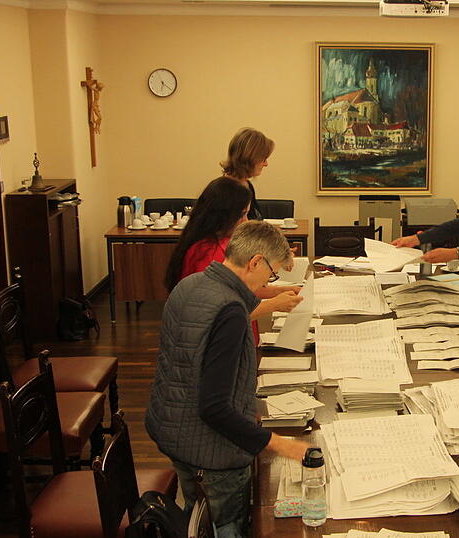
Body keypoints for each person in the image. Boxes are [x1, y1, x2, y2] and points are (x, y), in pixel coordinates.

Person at [146, 220, 310, 538]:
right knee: (225, 527)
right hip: (213, 453)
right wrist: (278, 444)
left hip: (173, 429)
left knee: (197, 515)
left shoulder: (190, 284)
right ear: (255, 262)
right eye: (272, 273)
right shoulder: (231, 311)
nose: (269, 281)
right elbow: (215, 407)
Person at [163, 177, 301, 319]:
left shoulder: (214, 242)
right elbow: (221, 314)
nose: (246, 221)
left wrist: (280, 291)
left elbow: (242, 287)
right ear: (223, 215)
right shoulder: (210, 254)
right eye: (242, 214)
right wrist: (274, 304)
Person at [221, 127, 275, 221]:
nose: (266, 164)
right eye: (263, 159)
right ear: (251, 158)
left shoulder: (246, 185)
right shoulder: (225, 193)